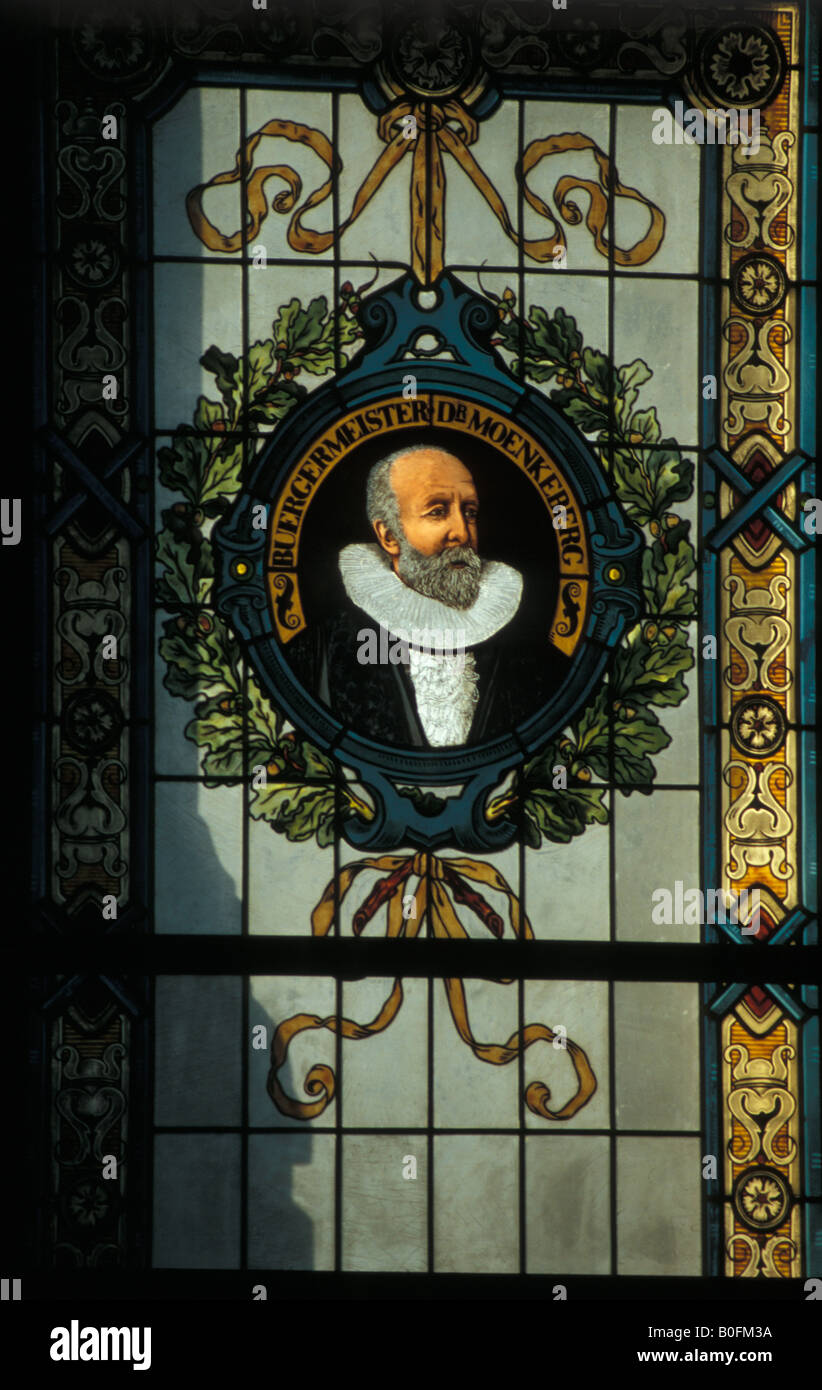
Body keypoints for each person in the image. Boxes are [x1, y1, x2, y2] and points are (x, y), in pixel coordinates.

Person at [287, 443, 568, 747]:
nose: (462, 532)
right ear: (389, 536)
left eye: (470, 512)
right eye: (437, 512)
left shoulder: (527, 650)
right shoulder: (321, 651)